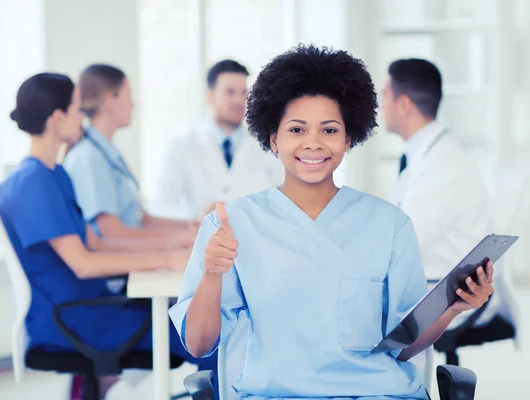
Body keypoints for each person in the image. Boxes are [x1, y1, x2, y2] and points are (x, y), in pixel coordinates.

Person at [169, 45, 493, 399]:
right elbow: (199, 346)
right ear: (273, 138)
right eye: (296, 130)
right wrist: (212, 274)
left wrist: (451, 308)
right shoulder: (231, 225)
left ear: (348, 138)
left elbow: (403, 347)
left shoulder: (389, 225)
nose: (313, 143)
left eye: (329, 130)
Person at [0, 73, 216, 397]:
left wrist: (175, 247)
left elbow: (98, 242)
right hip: (78, 319)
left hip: (94, 308)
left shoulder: (54, 174)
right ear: (57, 119)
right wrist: (168, 258)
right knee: (209, 334)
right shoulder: (32, 182)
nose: (81, 118)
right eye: (75, 110)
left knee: (206, 322)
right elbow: (83, 263)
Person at [381, 58, 493, 282]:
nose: (380, 106)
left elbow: (401, 246)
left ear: (403, 105)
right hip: (428, 282)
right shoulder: (428, 153)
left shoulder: (441, 164)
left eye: (384, 96)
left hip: (440, 293)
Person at [64, 64, 196, 244]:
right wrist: (182, 238)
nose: (133, 103)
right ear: (110, 100)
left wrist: (190, 227)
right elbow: (112, 234)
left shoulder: (107, 152)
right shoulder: (89, 158)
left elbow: (141, 220)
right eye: (128, 95)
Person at [148, 59, 283, 220]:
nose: (239, 100)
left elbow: (284, 200)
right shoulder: (182, 146)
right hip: (200, 240)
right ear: (210, 96)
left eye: (243, 93)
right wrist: (198, 218)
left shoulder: (267, 145)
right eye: (230, 92)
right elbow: (162, 206)